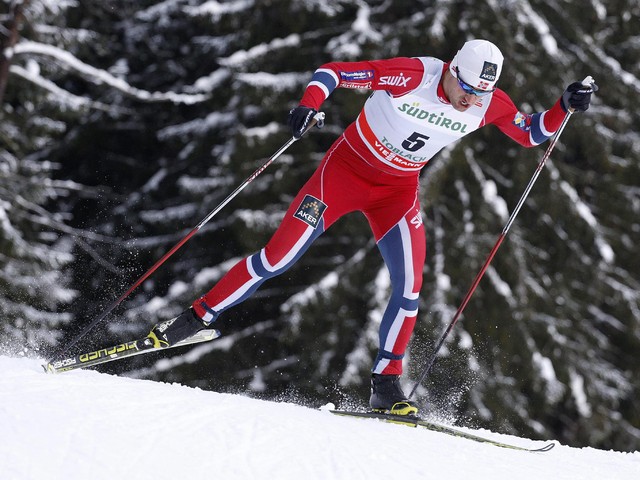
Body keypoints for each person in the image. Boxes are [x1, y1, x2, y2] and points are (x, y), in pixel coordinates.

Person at [146, 39, 596, 415]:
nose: (471, 100)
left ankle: (385, 385)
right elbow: (334, 72)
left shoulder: (487, 102)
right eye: (466, 88)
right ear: (451, 70)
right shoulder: (412, 75)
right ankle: (197, 317)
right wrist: (308, 105)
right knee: (278, 257)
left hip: (396, 193)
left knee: (410, 288)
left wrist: (563, 105)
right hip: (343, 174)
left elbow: (532, 132)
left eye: (481, 93)